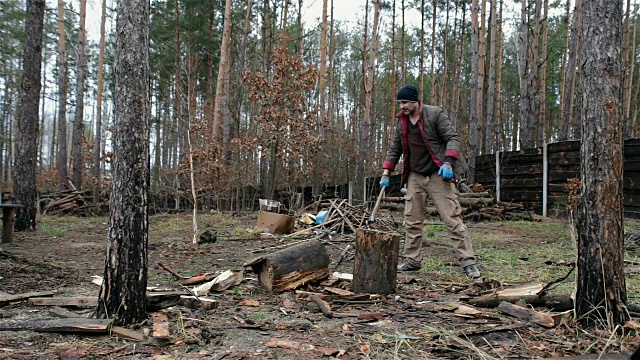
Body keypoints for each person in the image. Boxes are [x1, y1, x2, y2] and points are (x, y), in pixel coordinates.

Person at [380, 84, 481, 278]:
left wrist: (449, 163)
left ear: (417, 101)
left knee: (452, 218)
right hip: (415, 175)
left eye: (406, 102)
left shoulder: (434, 114)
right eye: (400, 103)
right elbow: (395, 149)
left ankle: (468, 262)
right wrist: (386, 173)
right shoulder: (401, 122)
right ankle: (412, 260)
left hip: (438, 172)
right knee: (412, 220)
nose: (402, 106)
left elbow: (453, 138)